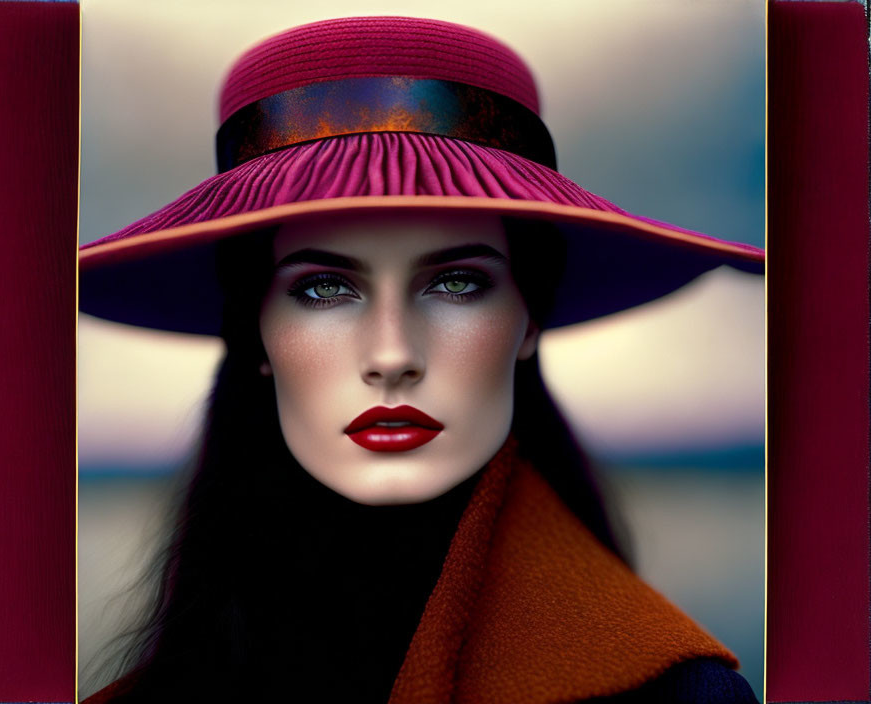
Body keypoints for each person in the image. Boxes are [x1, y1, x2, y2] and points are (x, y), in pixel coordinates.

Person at [79, 16, 763, 703]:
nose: (392, 355)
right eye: (323, 288)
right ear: (254, 329)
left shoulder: (680, 696)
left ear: (529, 317)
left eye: (457, 283)